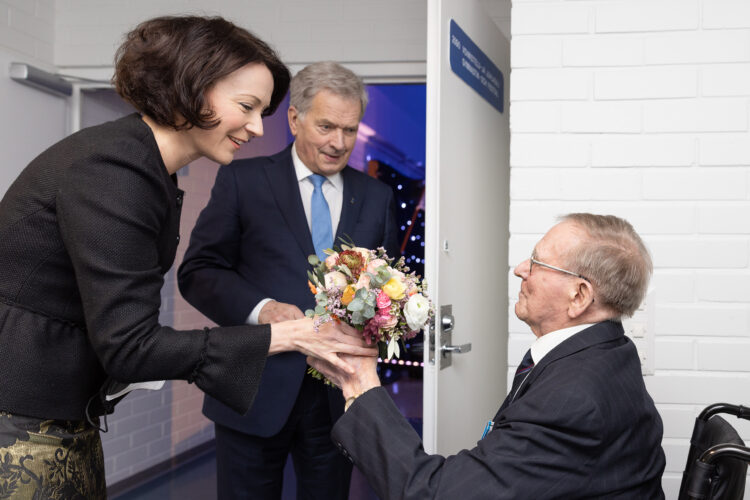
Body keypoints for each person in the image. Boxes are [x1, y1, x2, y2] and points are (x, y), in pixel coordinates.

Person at [0, 16, 372, 499]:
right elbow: (131, 346)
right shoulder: (114, 170)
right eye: (247, 106)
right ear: (191, 89)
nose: (259, 128)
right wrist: (278, 335)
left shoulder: (144, 168)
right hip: (21, 421)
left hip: (61, 413)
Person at [309, 213, 667, 499]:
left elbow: (431, 494)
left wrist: (361, 382)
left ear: (579, 296)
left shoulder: (573, 400)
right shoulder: (610, 351)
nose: (520, 270)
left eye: (538, 263)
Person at [177, 61, 398, 499]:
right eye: (327, 126)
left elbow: (387, 289)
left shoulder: (377, 196)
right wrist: (263, 310)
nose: (339, 143)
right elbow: (199, 272)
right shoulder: (243, 180)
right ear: (295, 119)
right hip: (252, 390)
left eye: (350, 130)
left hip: (338, 398)